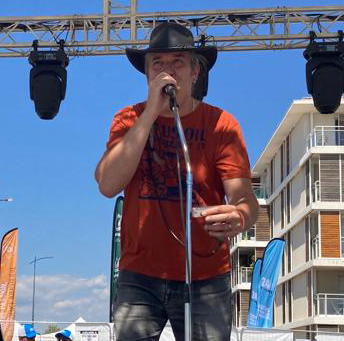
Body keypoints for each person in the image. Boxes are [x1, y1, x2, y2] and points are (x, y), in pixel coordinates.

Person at [94, 22, 258, 341]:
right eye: (158, 63)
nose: (167, 70)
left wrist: (239, 217)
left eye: (177, 61)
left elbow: (245, 198)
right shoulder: (128, 119)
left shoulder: (221, 124)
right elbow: (107, 184)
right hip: (139, 276)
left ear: (195, 72)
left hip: (206, 277)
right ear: (146, 74)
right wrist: (150, 115)